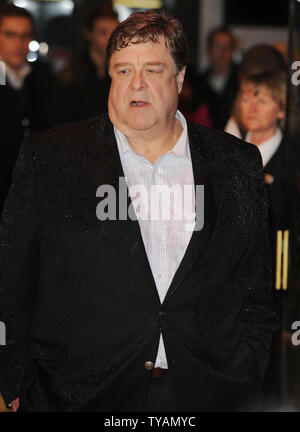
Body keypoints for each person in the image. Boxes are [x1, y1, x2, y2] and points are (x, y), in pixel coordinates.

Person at [0, 10, 279, 412]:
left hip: (203, 392)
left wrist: (246, 375)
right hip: (78, 393)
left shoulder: (235, 163)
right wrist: (13, 379)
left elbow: (255, 290)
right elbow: (12, 279)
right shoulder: (51, 158)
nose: (137, 84)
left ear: (180, 78)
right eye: (123, 70)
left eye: (152, 69)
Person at [0, 4, 58, 215]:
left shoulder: (41, 77)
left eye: (25, 36)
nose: (19, 43)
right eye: (10, 35)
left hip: (34, 192)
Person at [57, 5, 119, 122]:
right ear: (89, 34)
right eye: (103, 32)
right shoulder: (71, 75)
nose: (110, 38)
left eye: (114, 32)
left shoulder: (121, 73)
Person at [198, 27, 239, 130]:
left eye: (227, 47)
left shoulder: (242, 82)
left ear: (232, 51)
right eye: (218, 47)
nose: (222, 52)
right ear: (209, 50)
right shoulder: (198, 84)